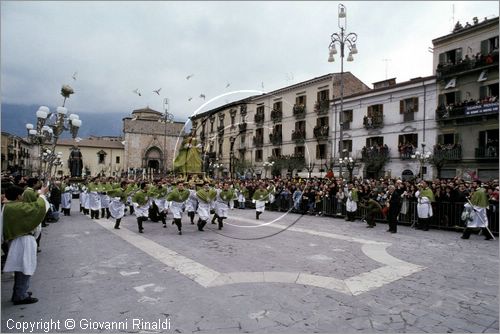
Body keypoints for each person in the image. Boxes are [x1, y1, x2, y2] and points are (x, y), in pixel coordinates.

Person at [2, 184, 50, 305]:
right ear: (18, 196)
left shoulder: (9, 207)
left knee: (21, 268)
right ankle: (20, 295)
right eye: (22, 195)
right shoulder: (15, 208)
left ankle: (19, 292)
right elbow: (37, 208)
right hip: (22, 241)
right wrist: (43, 195)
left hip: (18, 240)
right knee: (25, 268)